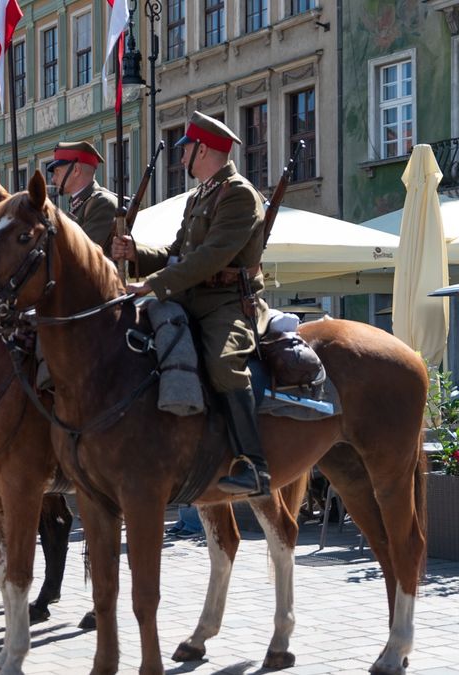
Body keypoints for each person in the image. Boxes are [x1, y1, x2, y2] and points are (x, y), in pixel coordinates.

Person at [113, 111, 270, 496]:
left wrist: (153, 284)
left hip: (227, 304)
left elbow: (209, 258)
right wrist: (137, 253)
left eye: (186, 149)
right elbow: (177, 252)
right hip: (190, 297)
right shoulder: (201, 195)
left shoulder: (239, 195)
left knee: (222, 364)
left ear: (203, 150)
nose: (180, 156)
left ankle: (254, 466)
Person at [46, 140, 119, 250]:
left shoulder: (102, 203)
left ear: (76, 170)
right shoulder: (80, 204)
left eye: (57, 172)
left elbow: (80, 252)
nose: (53, 179)